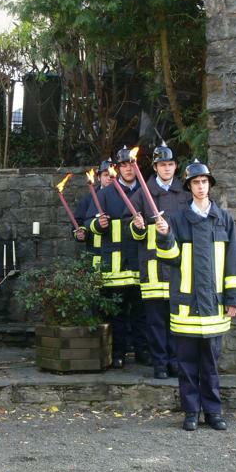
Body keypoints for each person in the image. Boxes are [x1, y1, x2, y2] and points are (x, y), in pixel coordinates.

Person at [155, 160, 236, 431]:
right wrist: (165, 238)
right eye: (196, 182)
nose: (201, 187)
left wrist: (233, 298)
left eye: (205, 182)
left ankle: (214, 412)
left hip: (215, 306)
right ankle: (191, 412)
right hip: (186, 305)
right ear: (189, 186)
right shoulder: (177, 221)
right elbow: (170, 259)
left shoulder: (224, 219)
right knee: (187, 365)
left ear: (210, 185)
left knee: (212, 365)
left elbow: (233, 261)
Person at [131, 142, 192, 379]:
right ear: (155, 167)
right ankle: (160, 363)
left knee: (177, 319)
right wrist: (137, 227)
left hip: (178, 266)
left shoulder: (184, 194)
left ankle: (176, 362)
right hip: (153, 265)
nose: (167, 169)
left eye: (171, 164)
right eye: (162, 165)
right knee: (155, 320)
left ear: (176, 167)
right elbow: (132, 230)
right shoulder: (142, 194)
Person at [86, 146, 149, 368]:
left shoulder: (145, 191)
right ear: (117, 168)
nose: (128, 168)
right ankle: (119, 353)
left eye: (131, 164)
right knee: (119, 315)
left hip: (140, 263)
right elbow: (87, 224)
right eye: (123, 165)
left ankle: (143, 352)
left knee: (142, 313)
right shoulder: (105, 194)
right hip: (116, 265)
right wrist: (97, 224)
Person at [73, 158, 113, 268]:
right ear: (99, 177)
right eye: (105, 175)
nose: (109, 178)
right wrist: (80, 234)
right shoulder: (88, 200)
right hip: (96, 251)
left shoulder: (125, 197)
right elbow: (78, 222)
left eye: (111, 174)